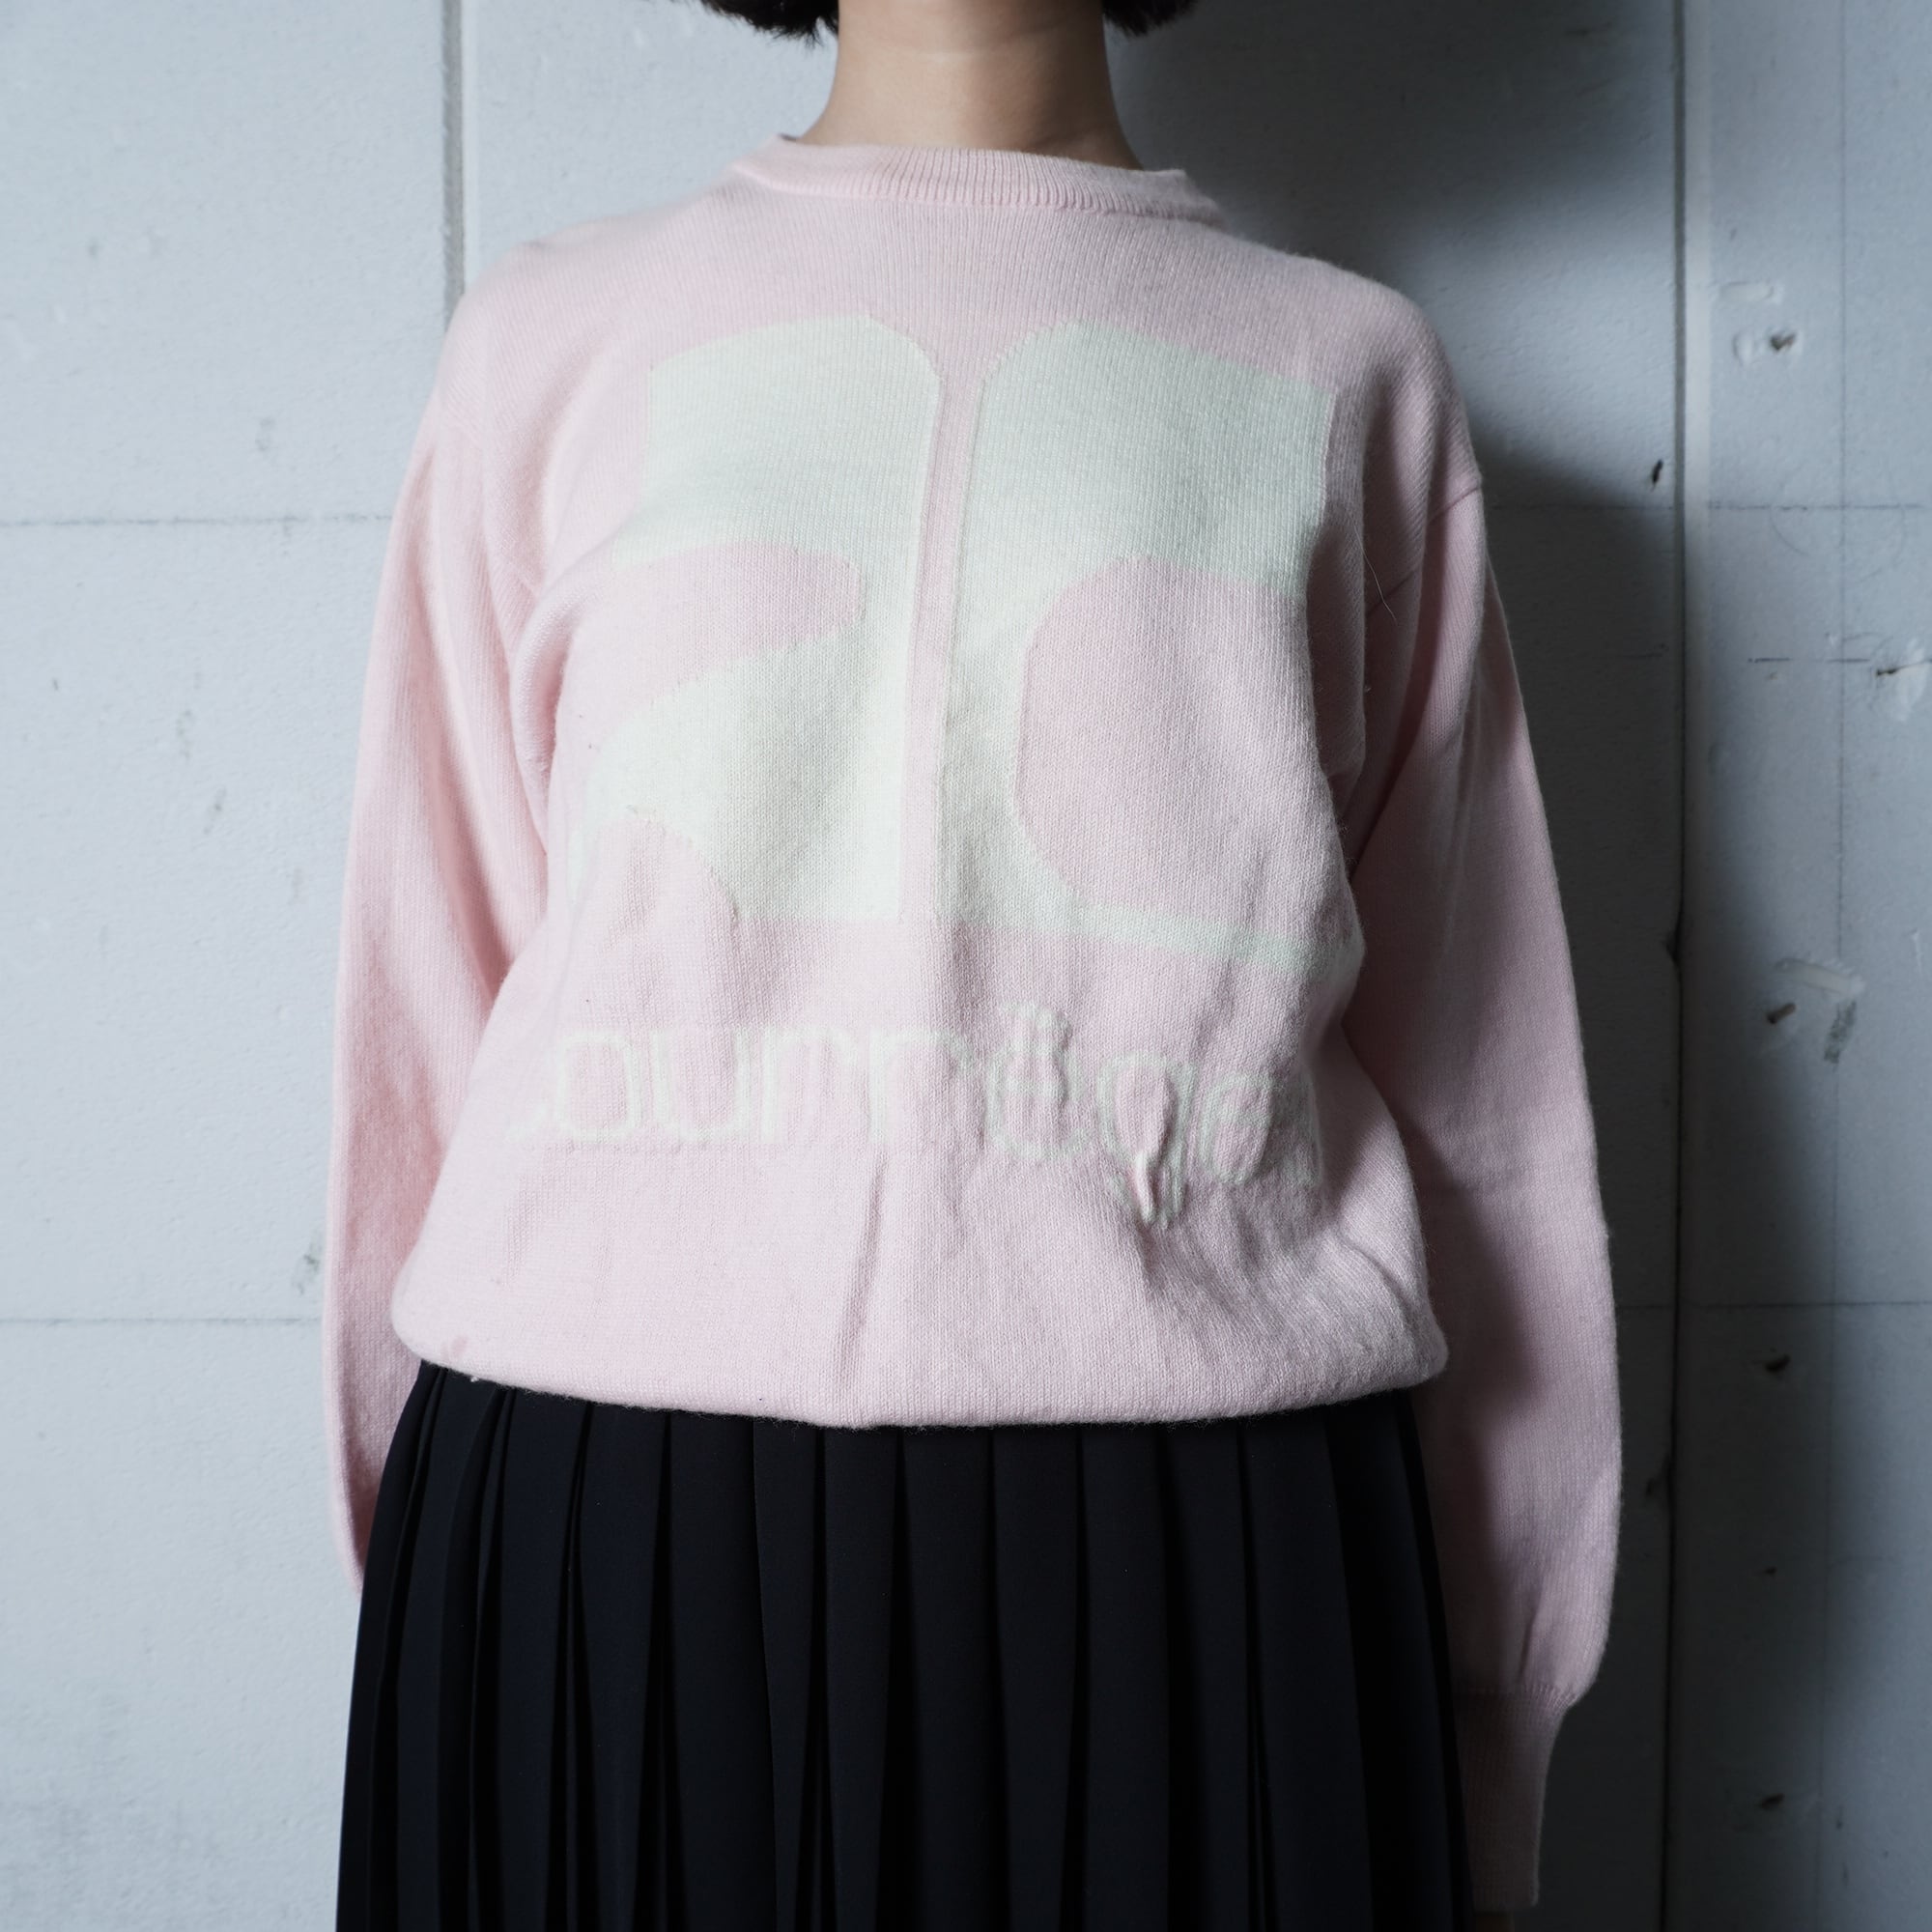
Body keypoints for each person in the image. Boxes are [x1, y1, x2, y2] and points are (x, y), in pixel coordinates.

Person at [324, 0, 1623, 1923]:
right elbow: (428, 1008)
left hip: (1208, 1533)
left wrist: (1498, 1686)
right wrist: (432, 1605)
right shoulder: (549, 345)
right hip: (610, 1522)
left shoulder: (1347, 373)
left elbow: (1483, 1093)